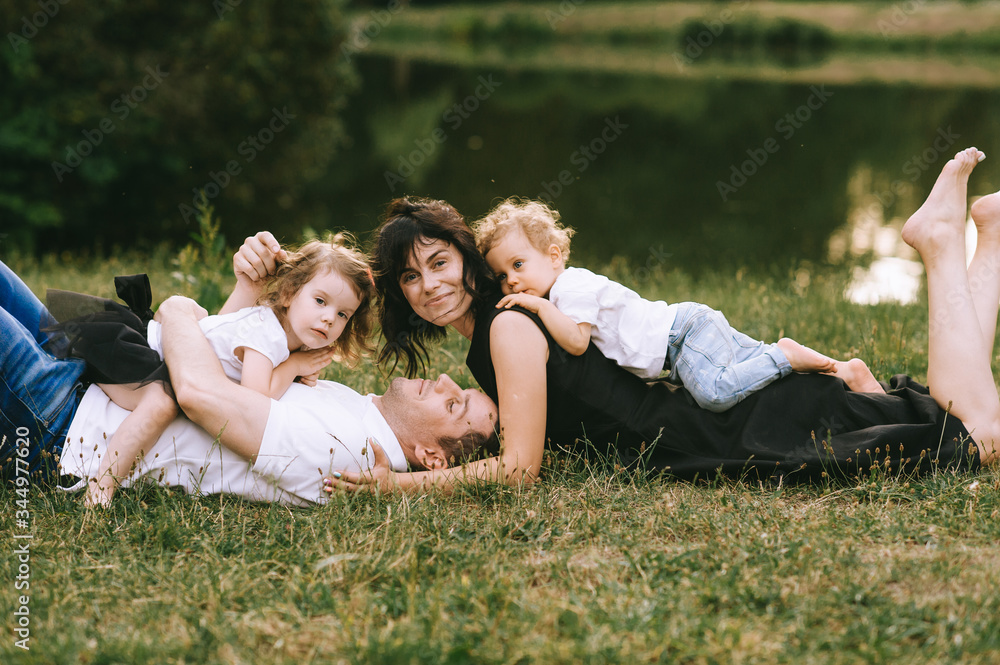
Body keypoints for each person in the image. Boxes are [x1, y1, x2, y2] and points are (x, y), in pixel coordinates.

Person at [322, 146, 998, 495]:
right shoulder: (491, 343)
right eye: (409, 276)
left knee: (972, 432)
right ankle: (987, 240)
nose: (427, 285)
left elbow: (520, 468)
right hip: (710, 419)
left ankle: (942, 244)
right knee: (960, 419)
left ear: (468, 259)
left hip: (725, 426)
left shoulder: (509, 325)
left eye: (438, 262)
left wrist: (397, 486)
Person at [0, 243, 499, 506]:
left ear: (431, 457)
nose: (445, 382)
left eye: (455, 405)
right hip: (99, 373)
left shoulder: (341, 451)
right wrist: (242, 291)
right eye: (461, 387)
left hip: (66, 425)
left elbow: (199, 394)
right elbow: (216, 363)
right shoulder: (356, 413)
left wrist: (176, 311)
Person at [49, 235, 376, 507]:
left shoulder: (289, 338)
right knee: (161, 405)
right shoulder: (269, 334)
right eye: (320, 301)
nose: (330, 318)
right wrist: (293, 367)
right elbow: (253, 400)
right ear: (289, 294)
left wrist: (301, 365)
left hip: (156, 355)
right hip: (136, 349)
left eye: (343, 314)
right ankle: (101, 489)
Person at [473, 197, 884, 412]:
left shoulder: (569, 289)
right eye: (502, 275)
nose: (511, 280)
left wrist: (540, 308)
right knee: (746, 372)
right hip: (685, 328)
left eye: (518, 264)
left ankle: (786, 353)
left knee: (715, 394)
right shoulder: (564, 289)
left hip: (682, 336)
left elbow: (578, 343)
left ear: (555, 253)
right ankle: (845, 372)